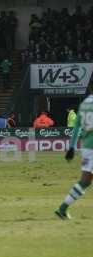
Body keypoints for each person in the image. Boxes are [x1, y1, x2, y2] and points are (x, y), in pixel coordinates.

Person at [55, 84, 93, 219]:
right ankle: (62, 208)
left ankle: (62, 208)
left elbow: (76, 127)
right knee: (86, 180)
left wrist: (71, 147)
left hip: (87, 147)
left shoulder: (84, 105)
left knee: (86, 180)